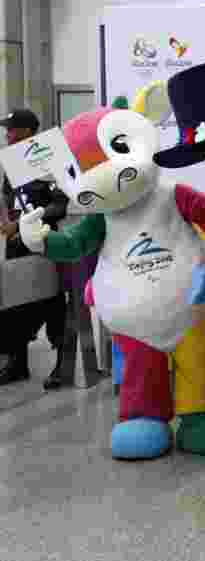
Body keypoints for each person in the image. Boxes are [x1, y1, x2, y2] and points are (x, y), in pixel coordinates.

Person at [0, 109, 70, 389]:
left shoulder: (49, 159)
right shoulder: (12, 162)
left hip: (44, 242)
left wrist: (25, 224)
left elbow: (60, 203)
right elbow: (8, 196)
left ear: (28, 131)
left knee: (52, 303)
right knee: (14, 303)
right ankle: (17, 364)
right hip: (16, 243)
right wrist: (6, 221)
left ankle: (61, 365)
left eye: (12, 129)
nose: (7, 133)